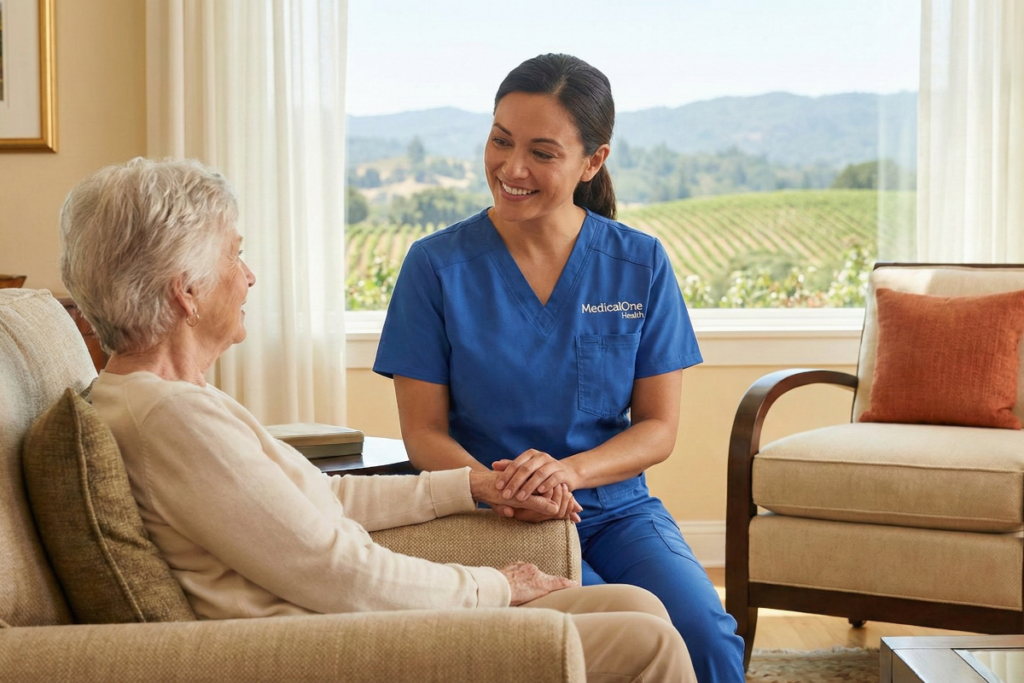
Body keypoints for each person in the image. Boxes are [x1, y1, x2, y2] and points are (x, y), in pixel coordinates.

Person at [59, 157, 695, 683]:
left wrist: (470, 486)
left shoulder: (173, 399)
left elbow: (316, 500)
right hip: (335, 644)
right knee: (648, 643)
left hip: (351, 616)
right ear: (186, 292)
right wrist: (492, 586)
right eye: (235, 257)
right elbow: (336, 570)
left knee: (638, 604)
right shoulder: (172, 420)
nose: (249, 277)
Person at [373, 54, 745, 683]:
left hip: (617, 510)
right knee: (609, 634)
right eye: (500, 141)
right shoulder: (434, 267)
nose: (511, 169)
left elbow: (657, 428)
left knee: (705, 635)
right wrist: (506, 491)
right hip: (498, 514)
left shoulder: (639, 263)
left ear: (592, 161)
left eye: (542, 153)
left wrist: (564, 472)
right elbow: (424, 435)